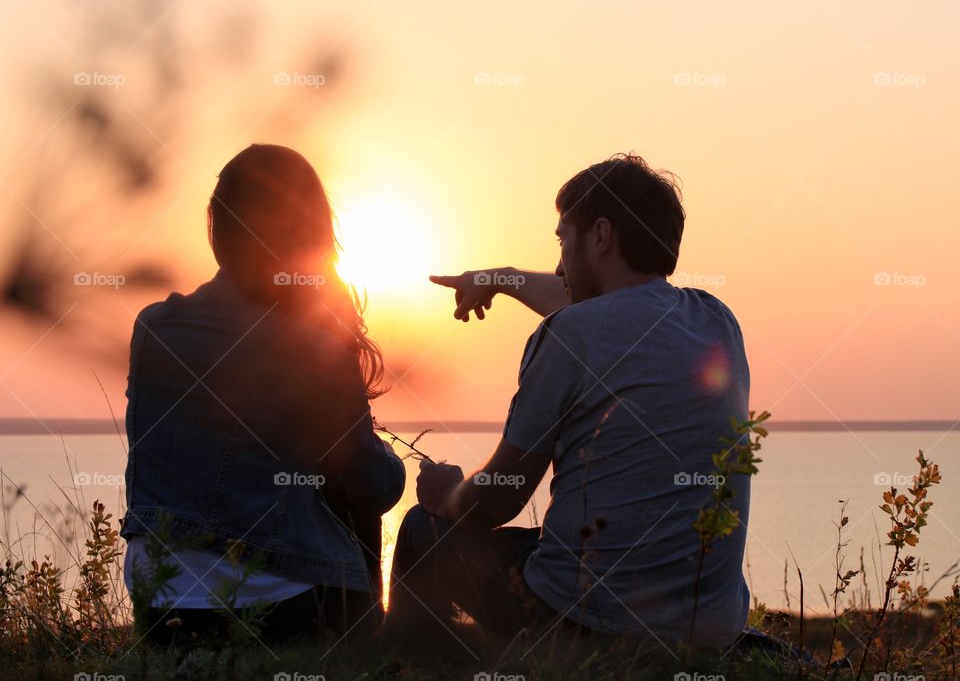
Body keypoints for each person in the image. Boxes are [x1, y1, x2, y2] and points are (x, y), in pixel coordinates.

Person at [387, 153, 751, 647]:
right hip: (706, 631)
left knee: (419, 530)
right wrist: (502, 277)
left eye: (562, 239)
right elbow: (604, 314)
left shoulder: (569, 335)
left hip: (588, 625)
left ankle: (412, 665)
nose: (558, 265)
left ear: (600, 236)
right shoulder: (716, 322)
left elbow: (499, 498)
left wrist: (444, 494)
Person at [120, 144, 405, 645]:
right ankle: (365, 652)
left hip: (159, 603)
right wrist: (388, 457)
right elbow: (372, 485)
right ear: (310, 237)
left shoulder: (153, 328)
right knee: (356, 495)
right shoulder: (311, 343)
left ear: (217, 226)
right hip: (275, 609)